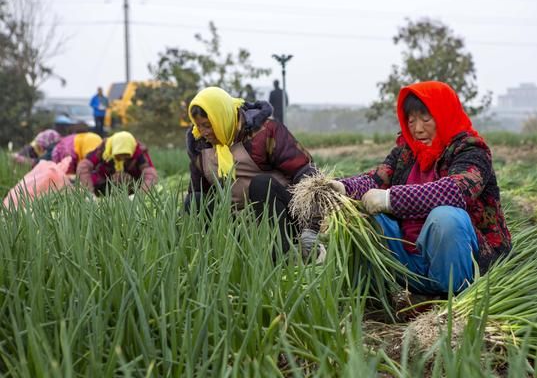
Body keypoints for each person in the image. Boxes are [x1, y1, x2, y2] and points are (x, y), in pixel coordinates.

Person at [328, 81, 511, 295]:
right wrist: (342, 187)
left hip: (465, 264)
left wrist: (390, 199)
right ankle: (388, 293)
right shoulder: (406, 152)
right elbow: (376, 179)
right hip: (411, 257)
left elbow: (456, 191)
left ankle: (454, 296)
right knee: (363, 218)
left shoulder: (471, 151)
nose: (417, 128)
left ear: (444, 115)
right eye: (411, 120)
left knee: (446, 217)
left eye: (426, 118)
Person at [185, 86, 320, 257]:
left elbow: (307, 175)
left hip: (282, 216)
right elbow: (199, 192)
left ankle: (283, 253)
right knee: (195, 200)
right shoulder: (200, 146)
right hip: (239, 222)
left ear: (221, 118)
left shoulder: (264, 132)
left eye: (208, 125)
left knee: (261, 184)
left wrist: (311, 229)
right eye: (198, 126)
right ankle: (219, 255)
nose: (204, 132)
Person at [76, 131, 158, 195]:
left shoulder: (139, 151)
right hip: (104, 184)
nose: (122, 159)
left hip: (132, 186)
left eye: (125, 155)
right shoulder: (104, 148)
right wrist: (89, 193)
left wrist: (141, 194)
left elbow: (150, 173)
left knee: (123, 177)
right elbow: (83, 166)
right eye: (119, 155)